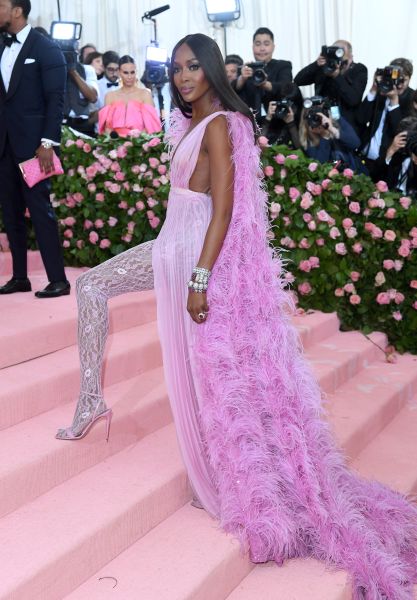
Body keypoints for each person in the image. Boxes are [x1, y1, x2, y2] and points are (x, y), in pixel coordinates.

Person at [55, 33, 417, 598]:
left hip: (194, 257)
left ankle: (227, 473)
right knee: (93, 288)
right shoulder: (186, 124)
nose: (183, 77)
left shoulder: (222, 125)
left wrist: (201, 278)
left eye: (194, 67)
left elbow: (223, 209)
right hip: (168, 246)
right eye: (176, 69)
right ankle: (90, 403)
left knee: (205, 370)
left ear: (215, 71)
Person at [0, 0, 70, 297]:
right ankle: (20, 277)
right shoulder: (1, 46)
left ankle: (58, 280)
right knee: (11, 213)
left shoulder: (45, 47)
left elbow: (56, 98)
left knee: (41, 211)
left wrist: (47, 143)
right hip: (4, 147)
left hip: (34, 148)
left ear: (17, 10)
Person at [356, 58, 415, 182]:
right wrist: (373, 89)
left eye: (402, 79)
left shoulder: (412, 99)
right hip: (364, 157)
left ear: (409, 78)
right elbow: (361, 119)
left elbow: (402, 134)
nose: (397, 83)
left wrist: (394, 101)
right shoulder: (382, 91)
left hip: (388, 164)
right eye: (395, 77)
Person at [294, 40, 367, 131]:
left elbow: (353, 99)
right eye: (333, 50)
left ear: (350, 55)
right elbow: (298, 80)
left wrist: (337, 76)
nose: (336, 53)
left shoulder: (358, 70)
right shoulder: (324, 68)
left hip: (347, 125)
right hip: (322, 123)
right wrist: (316, 64)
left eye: (340, 50)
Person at [233, 27, 292, 120]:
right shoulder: (246, 69)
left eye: (266, 44)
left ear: (273, 46)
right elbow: (230, 93)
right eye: (258, 44)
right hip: (250, 123)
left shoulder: (283, 66)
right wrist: (241, 79)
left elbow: (286, 88)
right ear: (252, 47)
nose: (262, 48)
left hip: (277, 123)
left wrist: (265, 84)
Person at [98, 55, 161, 137]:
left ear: (136, 72)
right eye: (125, 72)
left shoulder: (145, 94)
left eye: (132, 72)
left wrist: (136, 142)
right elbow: (107, 128)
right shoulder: (110, 96)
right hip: (115, 144)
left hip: (140, 144)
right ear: (119, 72)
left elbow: (151, 126)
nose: (129, 77)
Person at [299, 98, 361, 170]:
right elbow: (320, 164)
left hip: (354, 171)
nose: (319, 119)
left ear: (327, 113)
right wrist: (325, 136)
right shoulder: (308, 139)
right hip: (330, 178)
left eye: (321, 115)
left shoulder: (338, 120)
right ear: (307, 121)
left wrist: (332, 129)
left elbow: (356, 144)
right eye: (314, 118)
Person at [63, 44, 98, 136]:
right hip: (60, 122)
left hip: (83, 124)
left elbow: (93, 97)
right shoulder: (53, 69)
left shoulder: (87, 69)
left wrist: (73, 72)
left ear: (77, 53)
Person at [260, 82, 303, 147]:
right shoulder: (275, 116)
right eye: (283, 103)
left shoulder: (303, 119)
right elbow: (259, 144)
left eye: (289, 104)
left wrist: (291, 124)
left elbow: (300, 149)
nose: (285, 108)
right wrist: (268, 118)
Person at [383, 117, 417, 195]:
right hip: (388, 195)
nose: (407, 142)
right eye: (404, 138)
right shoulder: (395, 151)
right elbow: (376, 175)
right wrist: (390, 151)